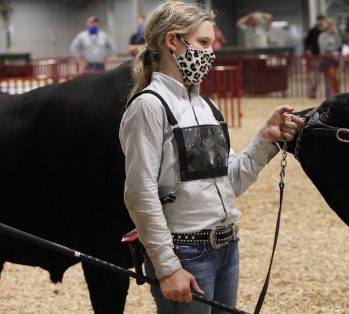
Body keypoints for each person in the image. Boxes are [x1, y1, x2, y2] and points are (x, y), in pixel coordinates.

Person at [119, 2, 303, 313]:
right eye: (204, 43)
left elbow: (229, 182)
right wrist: (167, 267)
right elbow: (140, 194)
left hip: (227, 246)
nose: (210, 53)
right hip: (184, 252)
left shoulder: (207, 106)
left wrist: (265, 139)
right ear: (172, 41)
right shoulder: (148, 106)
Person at [318, 19, 341, 97]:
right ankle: (330, 94)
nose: (332, 27)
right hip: (327, 58)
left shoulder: (335, 35)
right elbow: (323, 49)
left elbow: (339, 44)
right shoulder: (322, 36)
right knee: (330, 77)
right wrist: (332, 49)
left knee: (335, 77)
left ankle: (336, 93)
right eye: (331, 25)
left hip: (335, 58)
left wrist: (336, 33)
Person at [304, 14, 325, 98]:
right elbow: (307, 42)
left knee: (327, 77)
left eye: (322, 20)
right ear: (317, 20)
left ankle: (329, 94)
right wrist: (308, 49)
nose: (321, 21)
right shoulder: (312, 31)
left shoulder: (325, 30)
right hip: (315, 56)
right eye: (319, 20)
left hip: (325, 56)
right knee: (316, 76)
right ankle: (313, 94)